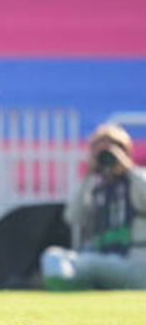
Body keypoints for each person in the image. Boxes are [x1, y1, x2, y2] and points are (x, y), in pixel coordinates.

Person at [41, 124, 146, 289]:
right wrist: (88, 176)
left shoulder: (136, 179)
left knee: (90, 264)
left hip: (136, 262)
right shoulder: (97, 188)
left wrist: (127, 168)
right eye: (100, 151)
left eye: (112, 150)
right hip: (104, 259)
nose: (107, 156)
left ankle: (81, 288)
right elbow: (72, 217)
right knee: (52, 257)